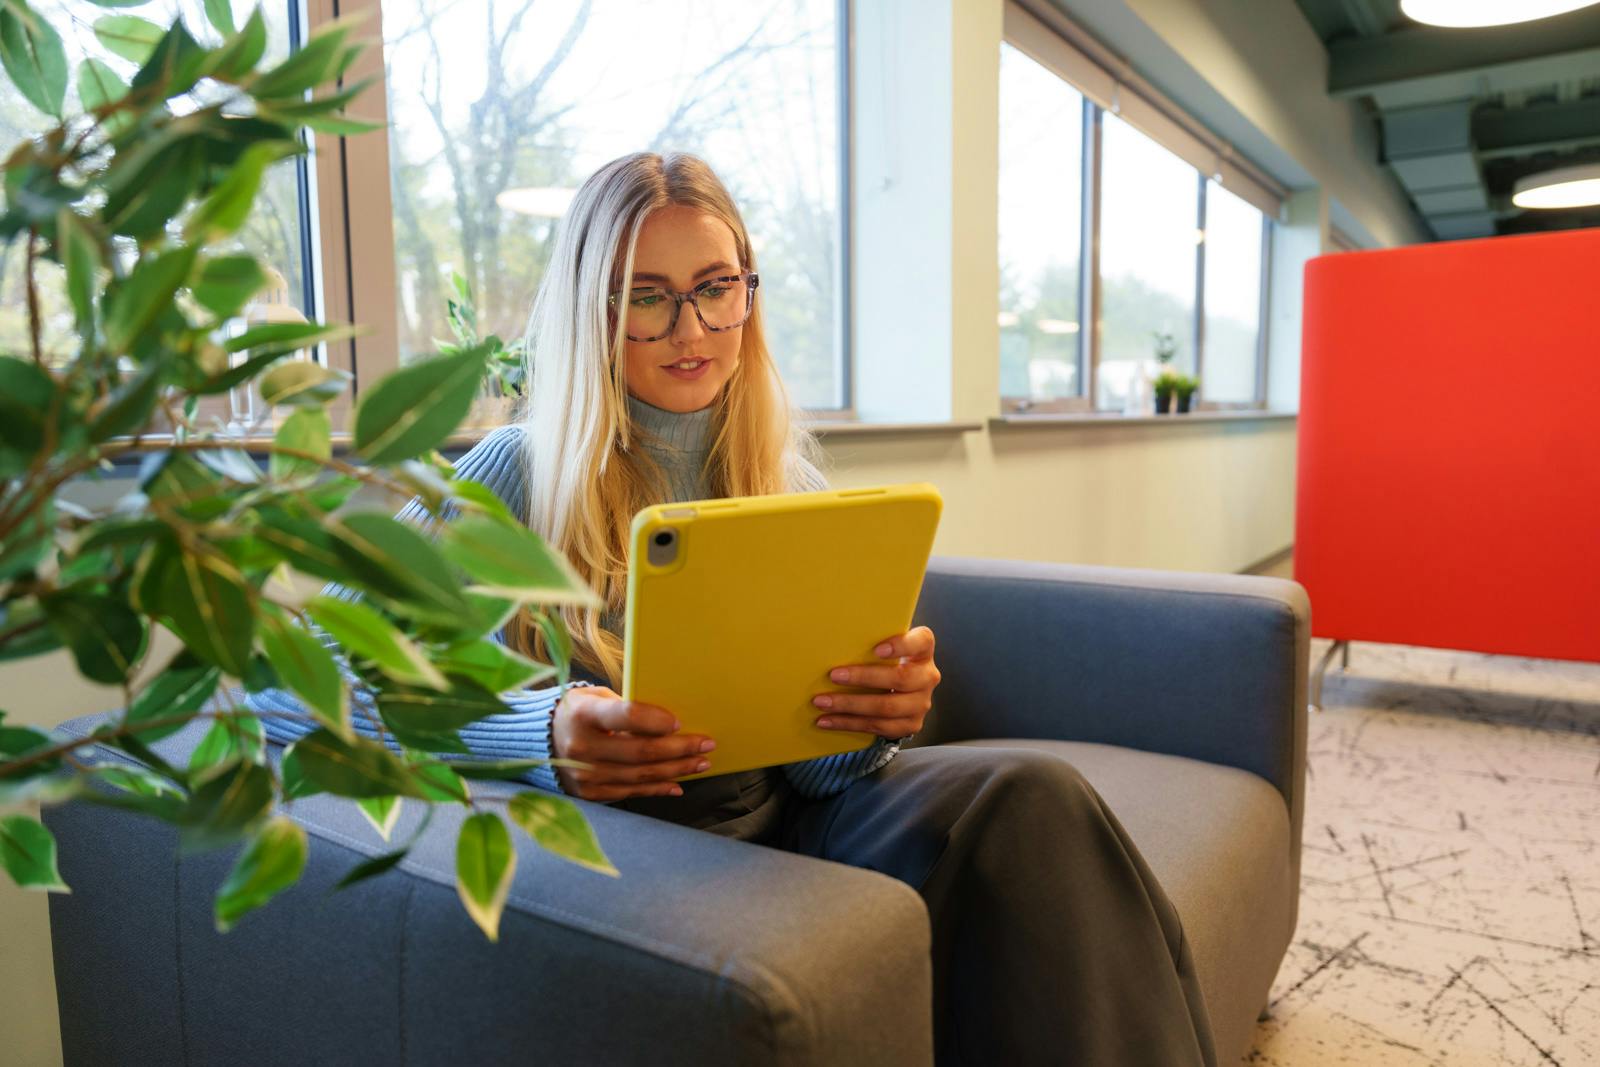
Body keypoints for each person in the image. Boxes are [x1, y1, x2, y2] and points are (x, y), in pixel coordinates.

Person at [255, 151, 1216, 1066]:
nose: (692, 328)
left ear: (748, 292)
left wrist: (872, 715)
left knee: (1032, 797)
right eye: (647, 295)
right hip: (650, 852)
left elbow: (830, 775)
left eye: (717, 287)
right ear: (594, 308)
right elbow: (287, 683)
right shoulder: (521, 471)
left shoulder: (779, 476)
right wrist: (538, 730)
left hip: (791, 825)